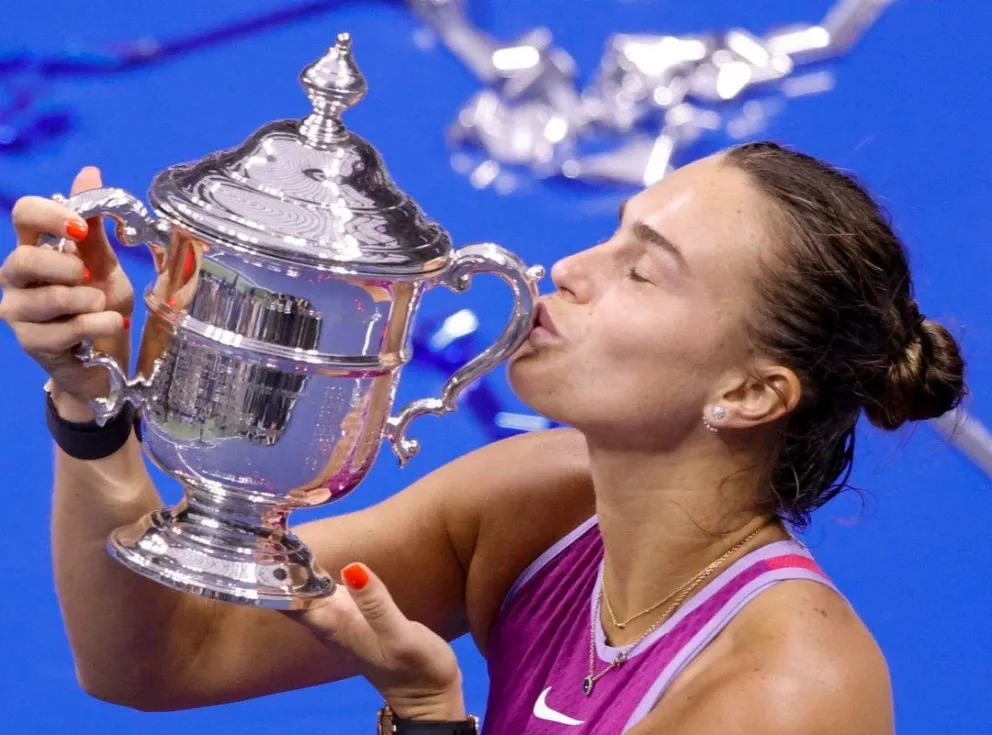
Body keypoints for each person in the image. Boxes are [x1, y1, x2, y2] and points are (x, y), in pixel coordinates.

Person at [0, 142, 966, 734]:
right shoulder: (537, 504)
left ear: (752, 392)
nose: (572, 267)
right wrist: (92, 399)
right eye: (615, 232)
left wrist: (431, 723)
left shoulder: (793, 691)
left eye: (642, 271)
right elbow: (156, 658)